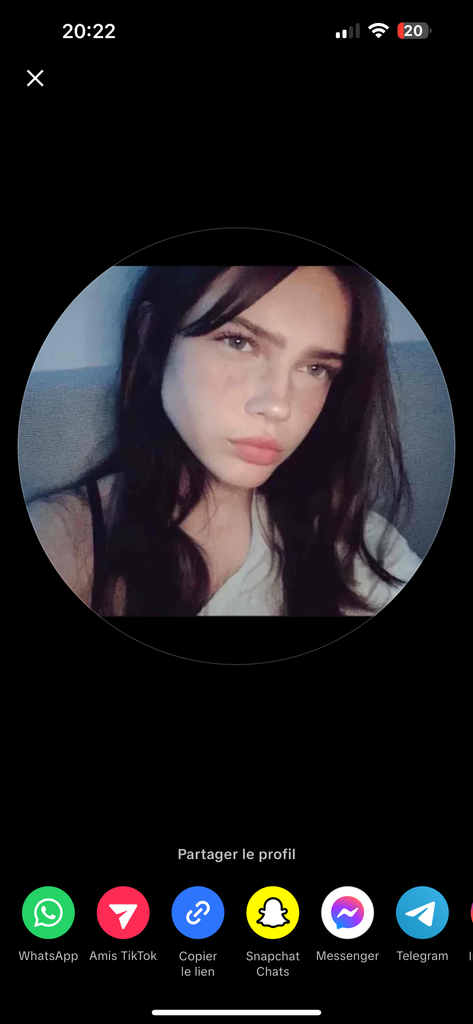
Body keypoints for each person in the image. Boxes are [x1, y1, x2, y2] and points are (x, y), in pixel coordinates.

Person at [27, 264, 422, 617]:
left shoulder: (356, 540)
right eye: (239, 342)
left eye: (315, 367)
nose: (279, 406)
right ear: (152, 336)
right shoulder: (65, 539)